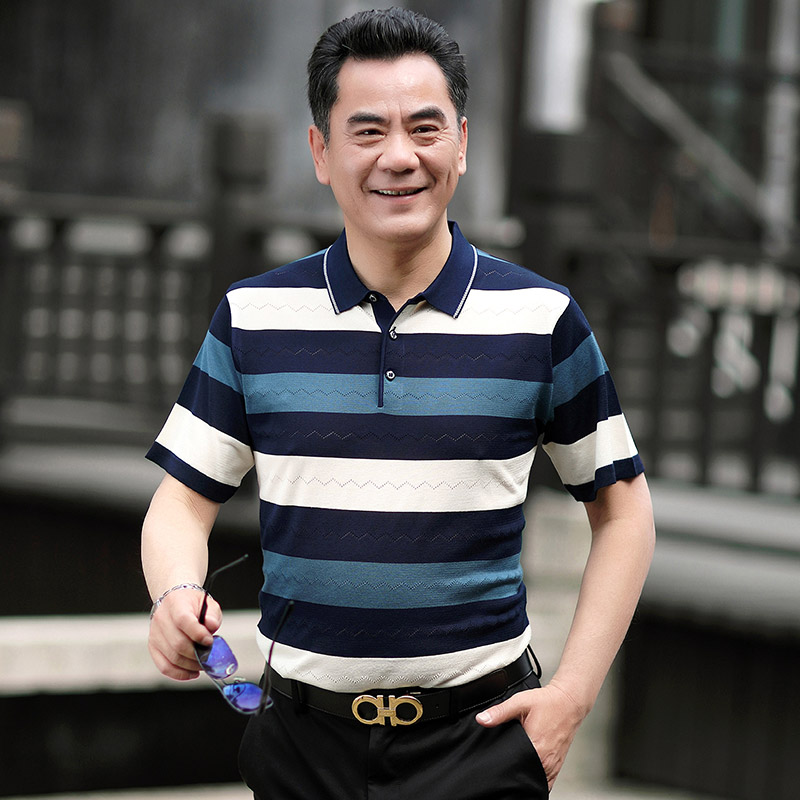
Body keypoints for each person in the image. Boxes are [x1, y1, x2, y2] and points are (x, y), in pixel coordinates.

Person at [143, 7, 655, 798]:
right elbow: (180, 502)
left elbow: (624, 513)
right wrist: (176, 594)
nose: (400, 157)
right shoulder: (253, 316)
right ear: (321, 151)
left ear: (462, 143)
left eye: (425, 128)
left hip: (479, 745)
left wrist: (572, 697)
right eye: (368, 131)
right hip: (299, 746)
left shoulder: (541, 318)